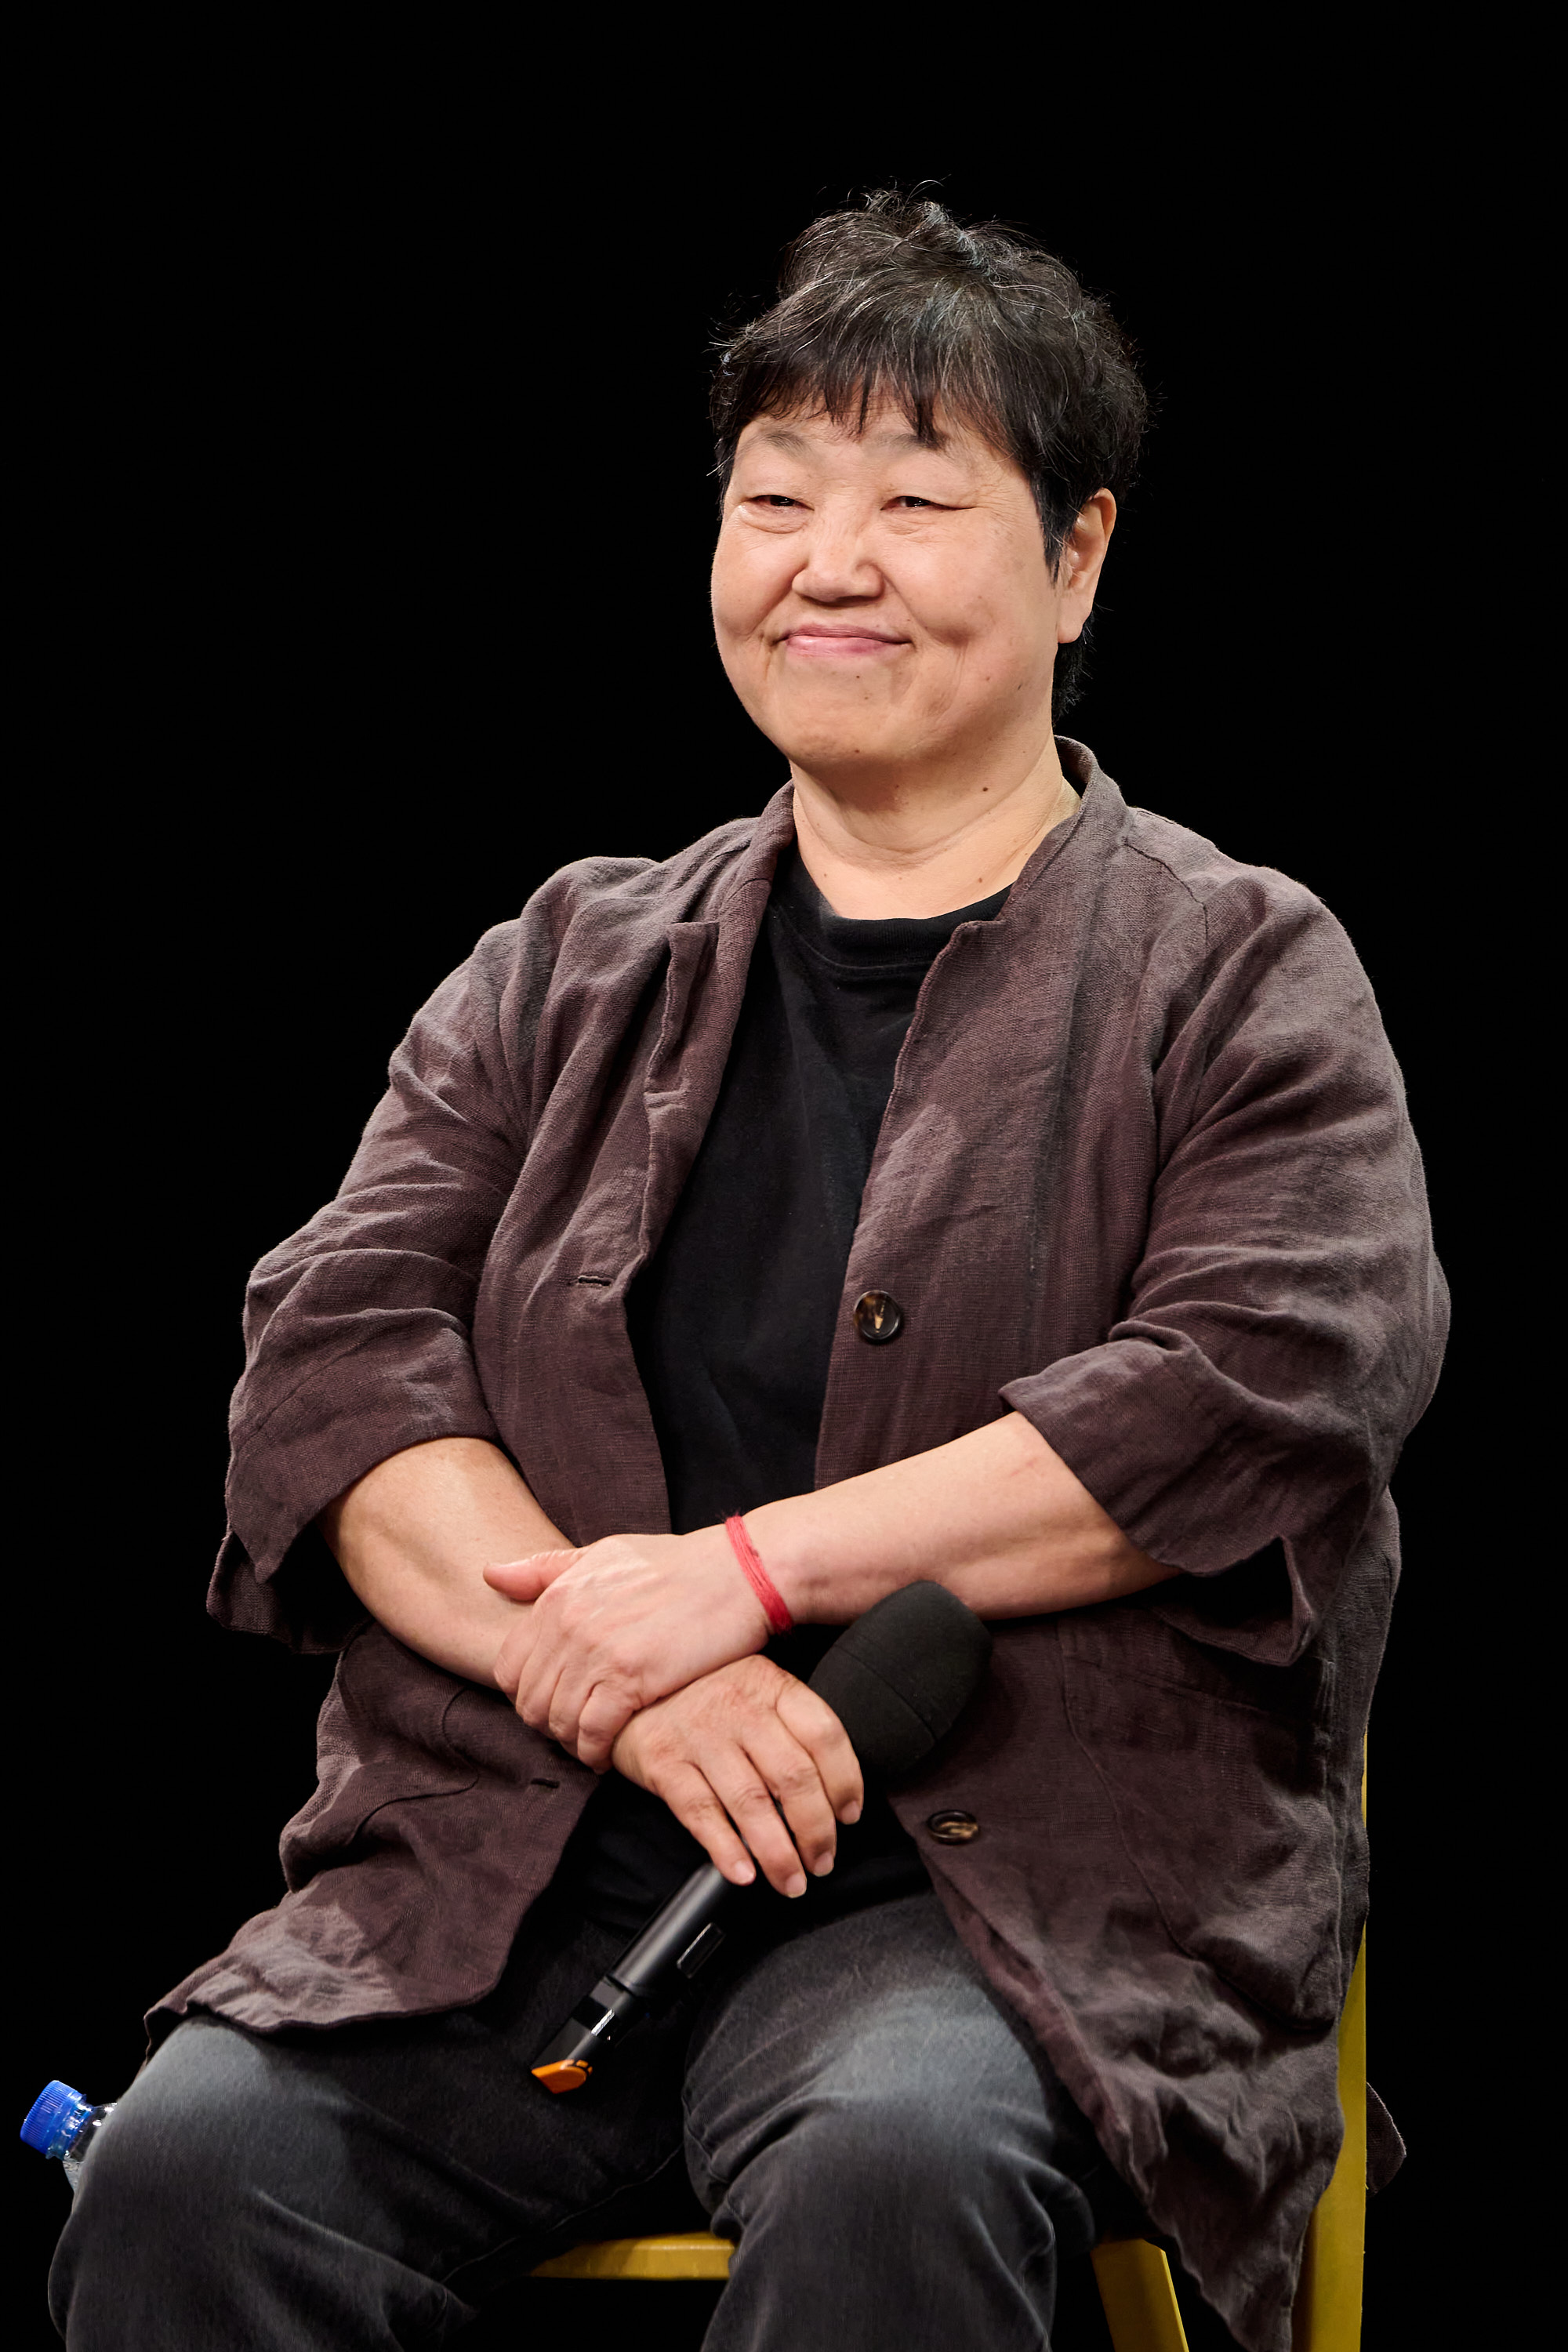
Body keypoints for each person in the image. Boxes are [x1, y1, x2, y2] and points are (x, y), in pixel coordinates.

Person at [49, 191, 1445, 2352]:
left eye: (915, 499)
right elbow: (335, 1365)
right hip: (528, 1879)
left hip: (1004, 1908)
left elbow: (1254, 1385)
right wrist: (634, 1675)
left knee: (900, 2162)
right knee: (187, 2173)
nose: (830, 562)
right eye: (777, 498)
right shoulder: (565, 961)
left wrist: (747, 1576)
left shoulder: (1239, 971)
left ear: (1079, 556)